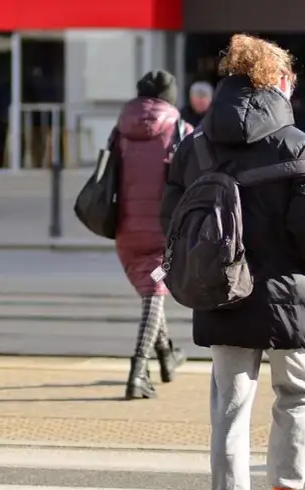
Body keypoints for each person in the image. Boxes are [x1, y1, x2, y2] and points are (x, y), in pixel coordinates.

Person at [161, 34, 305, 490]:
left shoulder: (194, 145)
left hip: (222, 292)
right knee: (299, 393)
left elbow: (171, 218)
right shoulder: (296, 143)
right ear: (279, 82)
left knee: (230, 408)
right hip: (290, 294)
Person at [114, 70, 192, 400]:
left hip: (127, 232)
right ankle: (138, 370)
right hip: (165, 236)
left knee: (151, 290)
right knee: (156, 288)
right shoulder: (181, 130)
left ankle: (167, 356)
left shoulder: (120, 130)